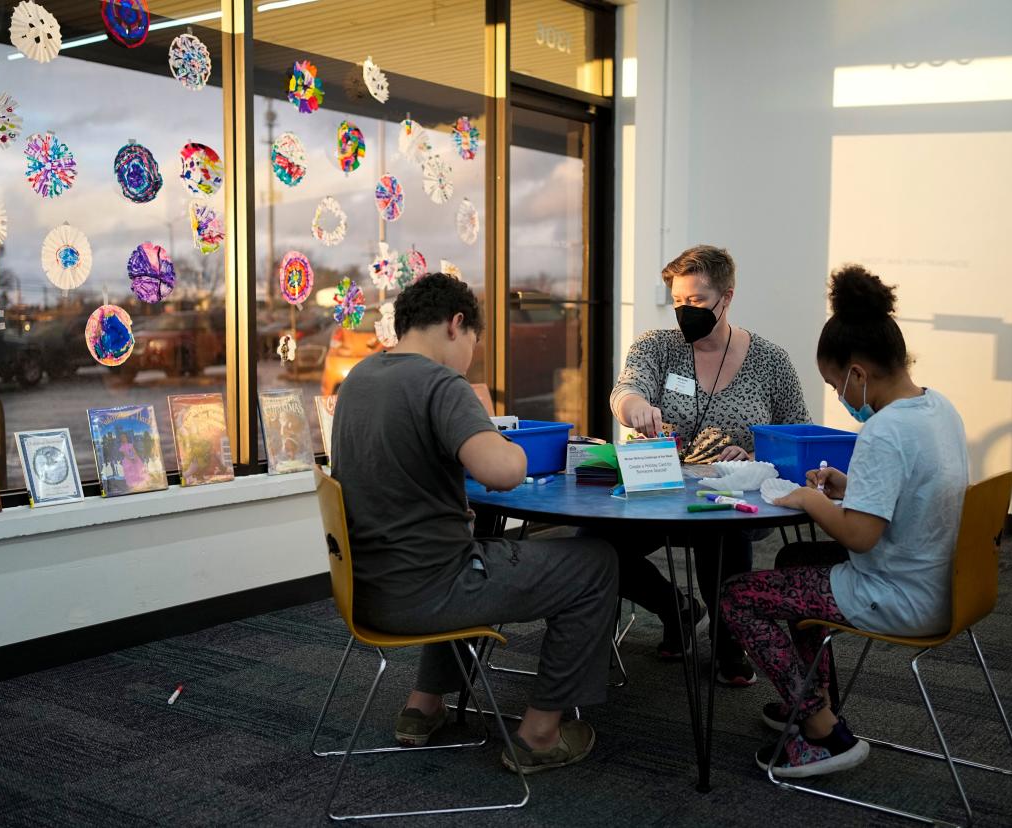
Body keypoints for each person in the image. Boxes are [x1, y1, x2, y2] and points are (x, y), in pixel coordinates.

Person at [333, 273, 620, 775]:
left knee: (469, 539)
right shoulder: (441, 383)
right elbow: (503, 471)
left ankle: (424, 704)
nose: (472, 356)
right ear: (457, 324)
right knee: (595, 563)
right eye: (474, 344)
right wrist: (500, 437)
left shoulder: (360, 377)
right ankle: (540, 735)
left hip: (368, 590)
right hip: (429, 591)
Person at [720, 264, 968, 778]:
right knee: (796, 558)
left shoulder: (883, 430)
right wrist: (849, 487)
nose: (839, 396)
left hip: (899, 594)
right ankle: (812, 698)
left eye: (835, 384)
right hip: (941, 579)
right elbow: (914, 491)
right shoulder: (937, 408)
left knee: (736, 597)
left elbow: (859, 534)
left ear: (858, 372)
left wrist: (810, 501)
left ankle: (822, 732)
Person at [606, 245, 810, 685]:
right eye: (678, 301)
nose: (684, 311)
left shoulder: (771, 362)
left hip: (731, 493)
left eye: (696, 301)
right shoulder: (657, 347)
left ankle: (729, 640)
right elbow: (625, 390)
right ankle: (676, 608)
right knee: (595, 544)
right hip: (657, 490)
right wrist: (634, 407)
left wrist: (757, 458)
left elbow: (799, 435)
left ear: (727, 297)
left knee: (722, 533)